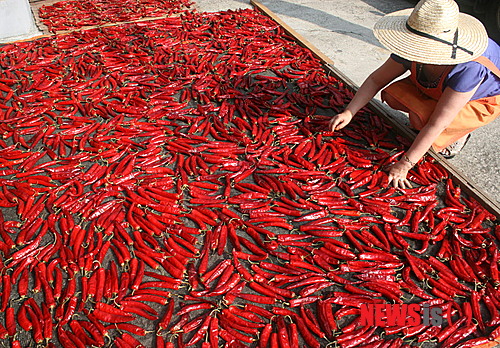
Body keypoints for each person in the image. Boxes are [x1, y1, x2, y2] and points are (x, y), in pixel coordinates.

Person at [329, 0, 500, 189]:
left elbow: (437, 122)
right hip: (438, 85)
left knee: (428, 123)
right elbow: (376, 80)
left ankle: (459, 134)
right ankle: (434, 116)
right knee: (393, 96)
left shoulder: (469, 67)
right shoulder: (414, 44)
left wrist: (405, 164)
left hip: (480, 100)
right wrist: (349, 112)